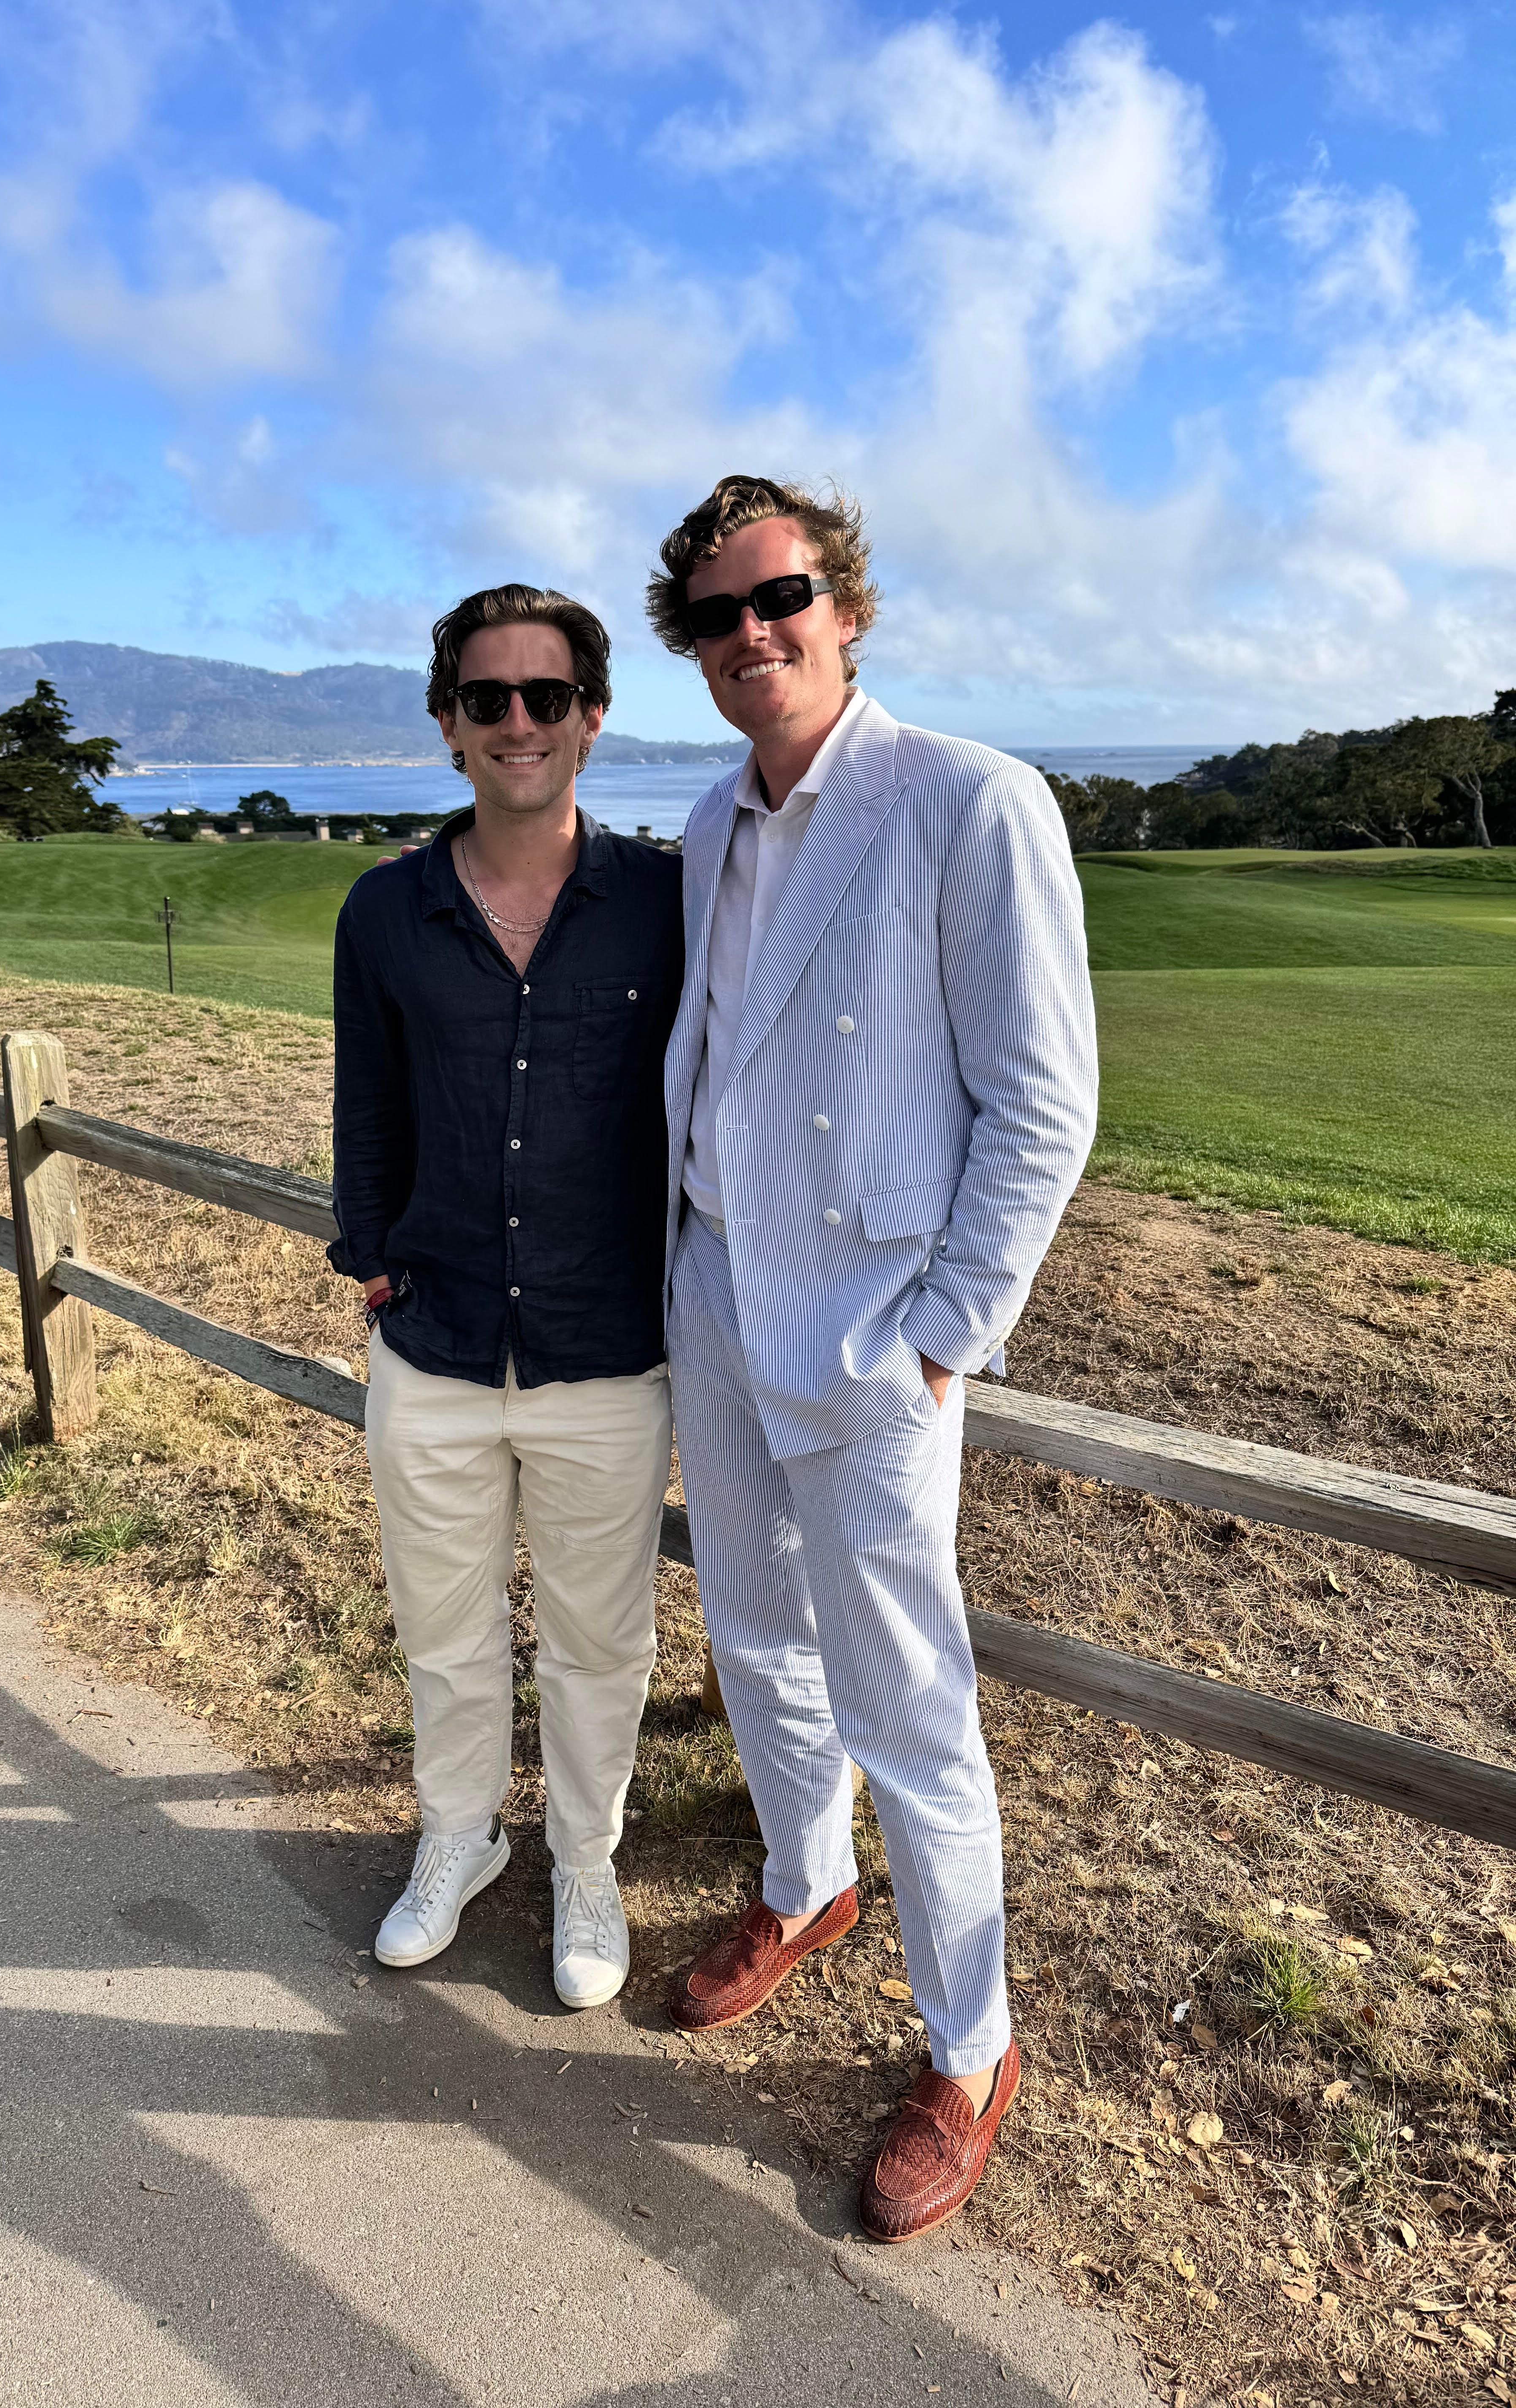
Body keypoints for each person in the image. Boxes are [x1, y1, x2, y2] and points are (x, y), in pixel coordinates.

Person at [647, 476, 1097, 2236]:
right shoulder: (711, 820)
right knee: (753, 1623)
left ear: (843, 603)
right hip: (712, 1283)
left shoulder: (968, 799)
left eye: (779, 597)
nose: (749, 632)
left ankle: (971, 2049)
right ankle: (804, 1881)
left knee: (910, 1699)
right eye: (714, 614)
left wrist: (944, 1336)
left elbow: (1042, 1104)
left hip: (868, 1315)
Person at [327, 583, 683, 2009]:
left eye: (547, 697)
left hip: (608, 1347)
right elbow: (367, 1100)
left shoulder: (664, 901)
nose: (519, 723)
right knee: (444, 1632)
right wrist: (369, 1250)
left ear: (592, 716)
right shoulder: (388, 909)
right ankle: (457, 1838)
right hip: (436, 1342)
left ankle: (584, 1863)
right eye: (490, 699)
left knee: (601, 1644)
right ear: (448, 724)